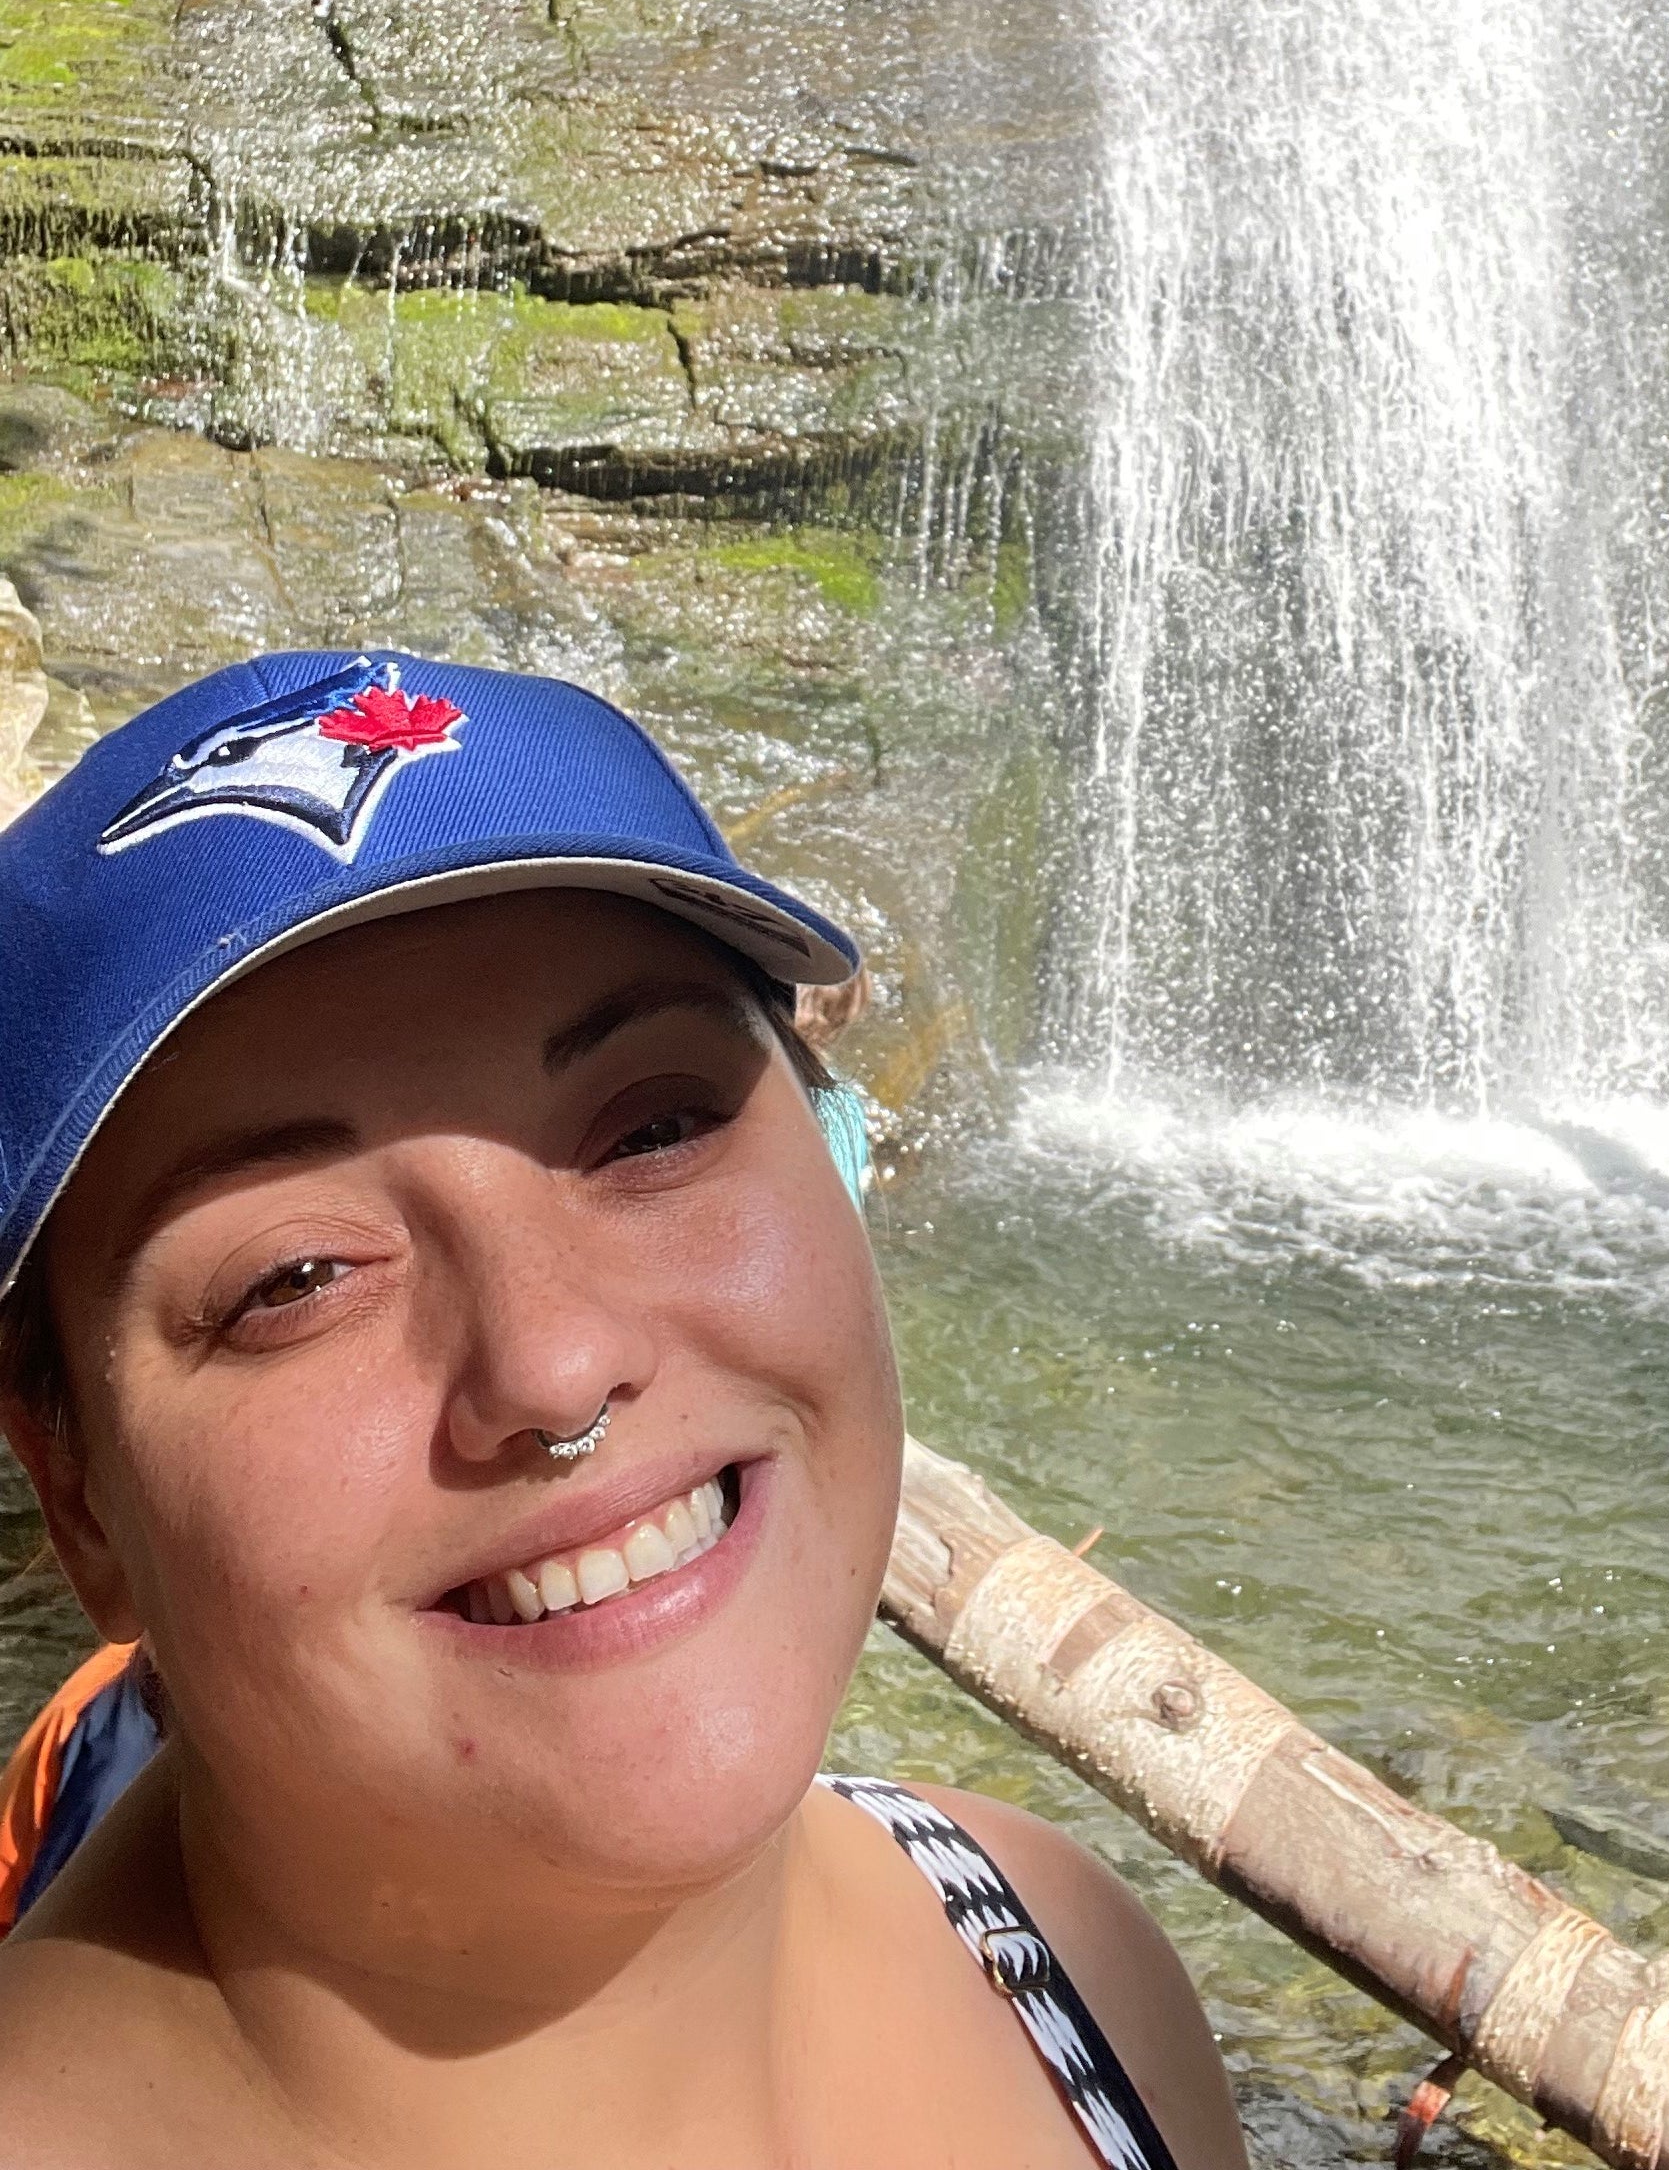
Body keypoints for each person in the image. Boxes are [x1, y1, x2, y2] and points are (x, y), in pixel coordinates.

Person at [0, 648, 1248, 2168]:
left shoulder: (1057, 1958)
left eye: (654, 1126)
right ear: (74, 1494)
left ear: (839, 1149)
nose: (554, 1365)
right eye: (297, 1277)